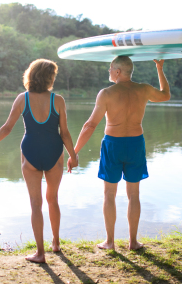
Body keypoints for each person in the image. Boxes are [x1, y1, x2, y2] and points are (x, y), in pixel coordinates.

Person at [0, 59, 78, 263]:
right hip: (54, 152)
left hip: (30, 153)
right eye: (53, 76)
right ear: (48, 77)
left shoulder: (22, 99)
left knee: (35, 204)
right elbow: (64, 133)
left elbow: (7, 128)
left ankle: (40, 253)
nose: (54, 79)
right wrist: (73, 156)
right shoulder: (58, 100)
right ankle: (56, 243)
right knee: (52, 199)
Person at [69, 56, 170, 250]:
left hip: (113, 145)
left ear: (117, 72)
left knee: (109, 194)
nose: (108, 71)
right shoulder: (144, 89)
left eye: (110, 68)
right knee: (134, 194)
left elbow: (90, 125)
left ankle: (110, 242)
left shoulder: (106, 93)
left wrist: (74, 153)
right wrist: (159, 68)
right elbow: (166, 94)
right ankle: (133, 242)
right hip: (135, 144)